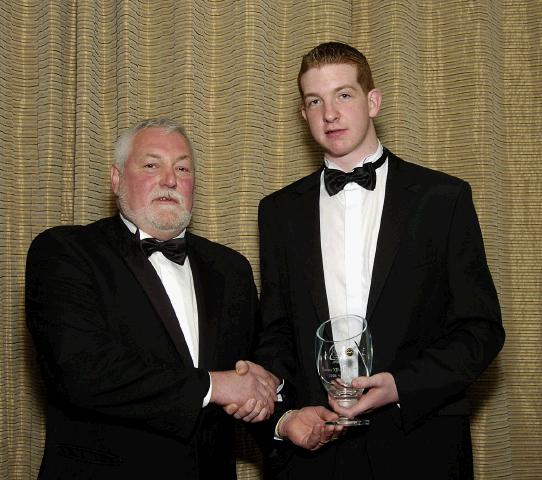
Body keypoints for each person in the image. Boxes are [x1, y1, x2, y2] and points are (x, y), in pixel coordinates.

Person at [257, 42, 505, 479]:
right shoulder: (279, 212)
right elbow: (277, 330)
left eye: (343, 95)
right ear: (302, 114)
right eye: (314, 101)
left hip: (419, 445)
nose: (329, 113)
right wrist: (278, 411)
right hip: (316, 452)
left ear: (373, 101)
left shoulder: (442, 199)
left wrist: (399, 386)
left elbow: (479, 330)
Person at [25, 118, 280, 480]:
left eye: (182, 168)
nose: (170, 179)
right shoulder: (65, 252)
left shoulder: (231, 268)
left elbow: (252, 373)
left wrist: (286, 419)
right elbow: (81, 370)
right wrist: (213, 385)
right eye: (151, 165)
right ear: (116, 179)